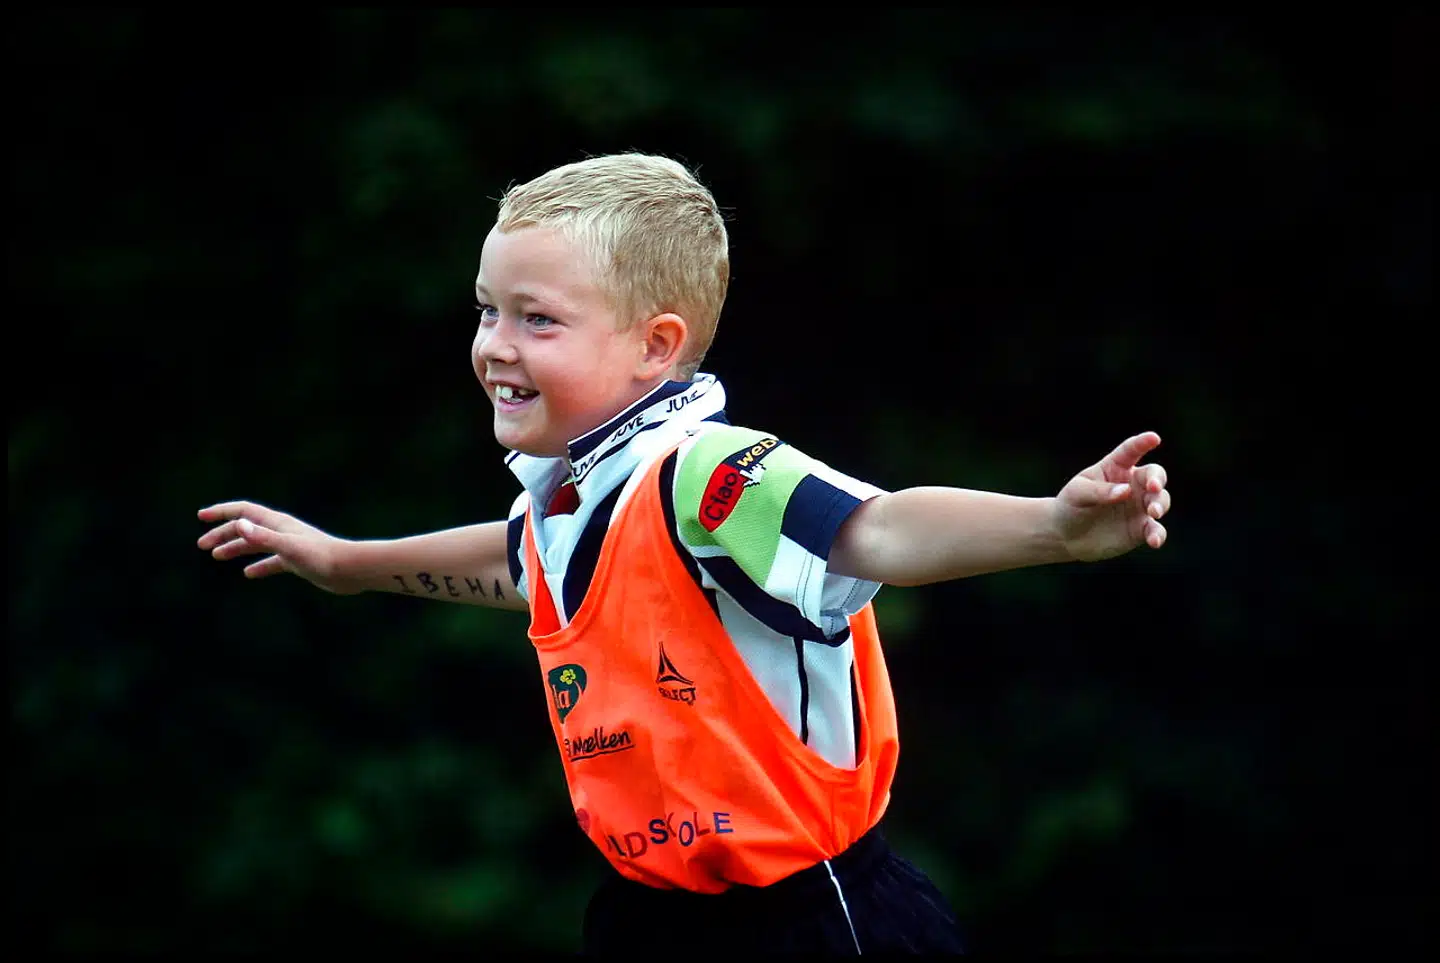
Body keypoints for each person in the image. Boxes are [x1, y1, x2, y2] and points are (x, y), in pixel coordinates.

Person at [196, 152, 1171, 955]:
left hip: (806, 922)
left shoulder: (705, 473)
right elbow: (524, 563)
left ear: (656, 347)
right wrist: (344, 561)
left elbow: (876, 531)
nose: (496, 344)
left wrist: (1058, 527)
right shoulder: (571, 494)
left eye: (538, 319)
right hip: (649, 916)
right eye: (488, 310)